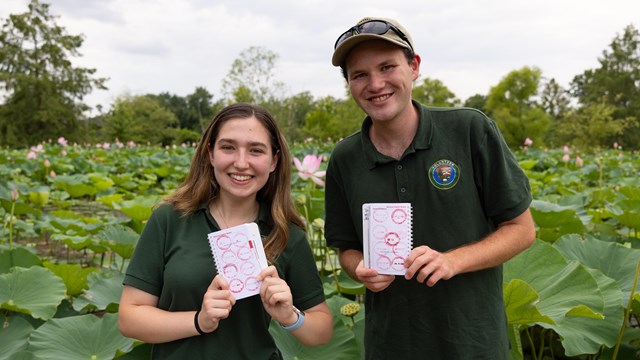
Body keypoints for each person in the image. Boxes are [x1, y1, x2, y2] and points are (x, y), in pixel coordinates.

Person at [324, 16, 536, 359]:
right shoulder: (344, 159)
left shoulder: (469, 130)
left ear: (414, 67)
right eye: (359, 74)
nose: (375, 84)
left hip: (472, 343)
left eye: (387, 67)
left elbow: (522, 230)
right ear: (349, 83)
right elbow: (345, 247)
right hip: (389, 345)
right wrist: (359, 267)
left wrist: (453, 261)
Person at [119, 103, 333, 359]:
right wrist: (200, 320)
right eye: (228, 147)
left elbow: (321, 331)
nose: (241, 163)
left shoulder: (288, 234)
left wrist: (290, 316)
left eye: (256, 150)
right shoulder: (170, 219)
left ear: (274, 160)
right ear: (210, 154)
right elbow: (129, 318)